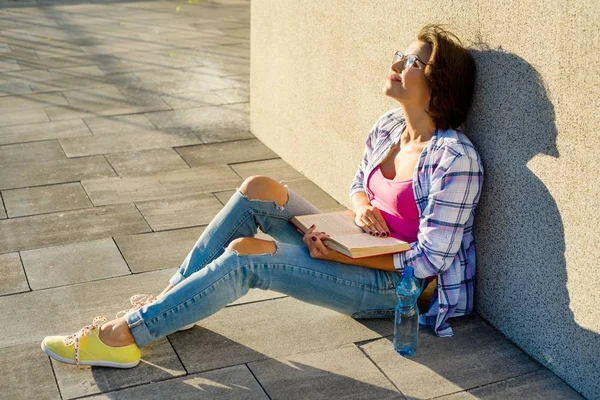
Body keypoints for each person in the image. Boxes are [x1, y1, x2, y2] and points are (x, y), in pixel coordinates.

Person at [41, 23, 483, 368]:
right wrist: (362, 209)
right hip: (351, 243)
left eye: (412, 60)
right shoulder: (389, 126)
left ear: (438, 87)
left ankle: (125, 336)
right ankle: (172, 303)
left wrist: (340, 255)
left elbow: (430, 262)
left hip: (399, 286)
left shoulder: (455, 160)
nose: (397, 62)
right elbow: (357, 187)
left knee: (246, 256)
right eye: (401, 53)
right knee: (258, 189)